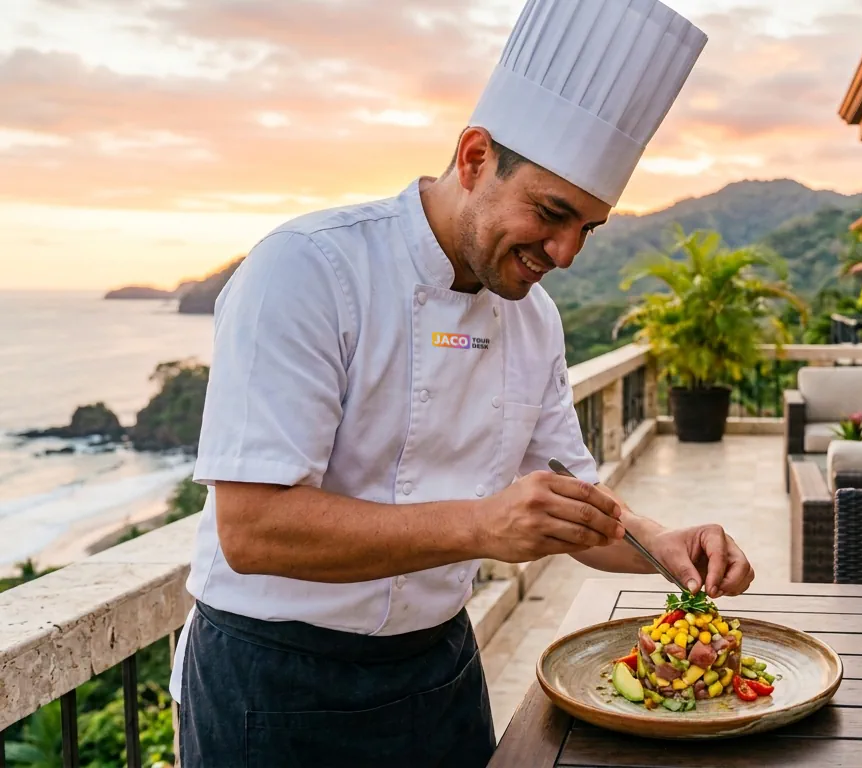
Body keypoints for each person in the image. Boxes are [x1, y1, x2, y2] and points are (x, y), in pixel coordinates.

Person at [169, 1, 750, 765]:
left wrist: (663, 543)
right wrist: (481, 526)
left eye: (588, 228)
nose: (567, 251)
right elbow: (253, 530)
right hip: (275, 685)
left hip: (437, 671)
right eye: (552, 212)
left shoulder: (533, 318)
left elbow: (574, 502)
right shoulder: (307, 270)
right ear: (474, 157)